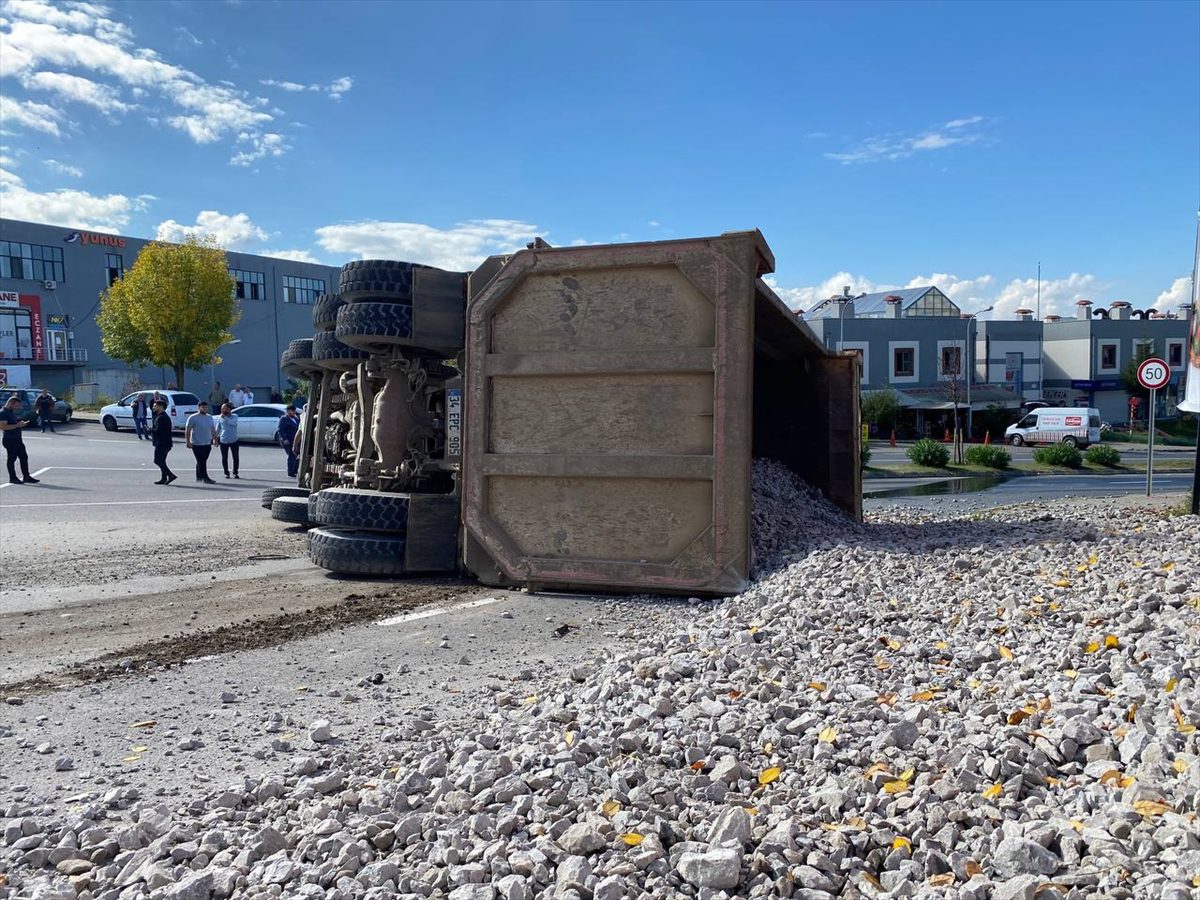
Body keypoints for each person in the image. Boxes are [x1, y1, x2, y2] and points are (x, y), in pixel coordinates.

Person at [0, 394, 38, 485]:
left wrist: (21, 423)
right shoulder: (3, 412)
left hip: (17, 439)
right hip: (10, 439)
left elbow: (13, 423)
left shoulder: (11, 411)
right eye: (17, 405)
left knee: (23, 457)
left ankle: (26, 476)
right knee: (11, 458)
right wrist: (17, 425)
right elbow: (3, 427)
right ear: (11, 403)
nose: (18, 407)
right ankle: (12, 477)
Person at [185, 401, 218, 484]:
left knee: (203, 460)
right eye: (203, 407)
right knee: (201, 461)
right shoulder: (193, 417)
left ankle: (199, 476)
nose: (205, 409)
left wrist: (215, 439)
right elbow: (188, 430)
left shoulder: (209, 417)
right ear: (199, 408)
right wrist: (187, 441)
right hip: (196, 443)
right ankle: (205, 477)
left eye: (206, 407)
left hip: (207, 443)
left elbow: (212, 429)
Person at [150, 398, 177, 485]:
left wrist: (150, 430)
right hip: (162, 443)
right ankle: (163, 478)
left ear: (161, 407)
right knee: (162, 461)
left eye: (155, 406)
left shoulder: (162, 418)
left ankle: (170, 475)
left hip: (163, 443)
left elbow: (159, 431)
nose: (153, 408)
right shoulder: (159, 416)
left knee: (158, 461)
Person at [216, 402, 241, 479]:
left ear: (229, 409)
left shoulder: (234, 416)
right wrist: (215, 438)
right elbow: (217, 429)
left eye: (224, 408)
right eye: (222, 408)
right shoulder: (220, 417)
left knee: (235, 457)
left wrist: (225, 417)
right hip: (224, 440)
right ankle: (226, 472)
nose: (223, 410)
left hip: (234, 440)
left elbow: (232, 423)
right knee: (224, 457)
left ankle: (235, 472)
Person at [276, 404, 300, 478]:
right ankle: (290, 472)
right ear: (289, 411)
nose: (293, 413)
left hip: (295, 440)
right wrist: (284, 439)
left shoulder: (295, 419)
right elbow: (280, 430)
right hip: (288, 440)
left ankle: (295, 471)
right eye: (292, 411)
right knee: (291, 456)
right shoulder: (284, 419)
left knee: (296, 456)